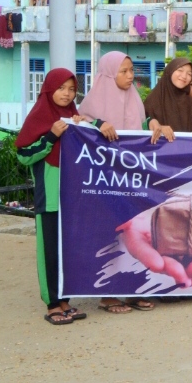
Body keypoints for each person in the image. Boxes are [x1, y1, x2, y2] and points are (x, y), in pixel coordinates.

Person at [77, 52, 157, 314]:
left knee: (133, 233)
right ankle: (108, 295)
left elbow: (142, 130)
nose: (130, 76)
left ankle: (132, 290)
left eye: (132, 70)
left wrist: (155, 124)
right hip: (104, 183)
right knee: (108, 235)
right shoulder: (93, 101)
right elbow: (79, 124)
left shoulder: (135, 100)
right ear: (110, 73)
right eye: (123, 71)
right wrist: (98, 124)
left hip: (130, 180)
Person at [16, 69, 86, 324]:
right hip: (50, 197)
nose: (66, 94)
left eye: (71, 89)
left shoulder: (74, 116)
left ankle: (65, 299)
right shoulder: (40, 116)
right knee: (49, 250)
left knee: (66, 249)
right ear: (48, 90)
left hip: (71, 196)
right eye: (61, 88)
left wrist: (94, 124)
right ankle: (52, 304)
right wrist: (51, 136)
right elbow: (24, 155)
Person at [143, 57, 192, 144]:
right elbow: (142, 126)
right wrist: (159, 128)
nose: (184, 76)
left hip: (184, 151)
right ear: (170, 71)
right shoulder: (153, 99)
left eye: (189, 74)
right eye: (180, 70)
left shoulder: (190, 101)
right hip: (158, 151)